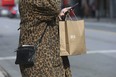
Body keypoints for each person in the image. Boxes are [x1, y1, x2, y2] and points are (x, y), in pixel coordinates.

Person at [18, 0, 72, 77]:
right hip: (40, 59)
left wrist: (59, 14)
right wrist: (57, 12)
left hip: (45, 56)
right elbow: (54, 6)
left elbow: (50, 12)